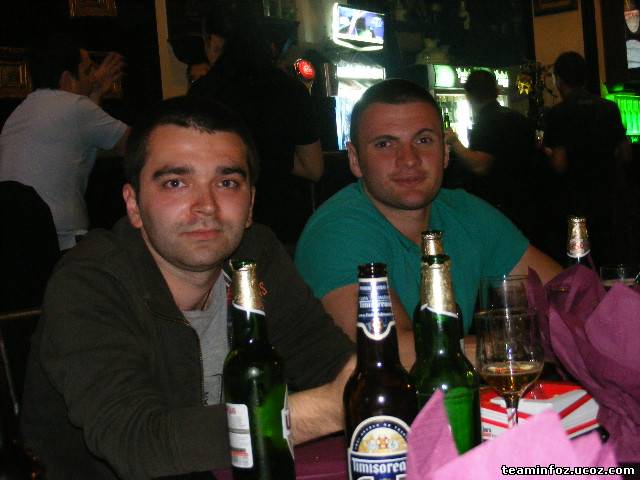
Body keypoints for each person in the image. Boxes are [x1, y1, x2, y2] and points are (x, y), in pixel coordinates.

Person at [19, 96, 355, 479]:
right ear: (133, 204)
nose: (206, 206)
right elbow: (137, 443)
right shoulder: (90, 282)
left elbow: (330, 364)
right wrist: (331, 407)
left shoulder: (256, 256)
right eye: (176, 183)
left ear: (250, 205)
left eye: (227, 183)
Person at [295, 79, 562, 369]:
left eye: (423, 140)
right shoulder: (336, 232)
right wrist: (520, 343)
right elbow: (391, 352)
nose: (409, 160)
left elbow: (569, 298)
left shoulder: (466, 213)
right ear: (355, 159)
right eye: (385, 144)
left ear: (445, 153)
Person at [189, 8, 323, 245]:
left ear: (214, 40)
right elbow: (313, 168)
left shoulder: (202, 93)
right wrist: (275, 156)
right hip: (283, 223)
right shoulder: (291, 90)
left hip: (221, 219)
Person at [0, 35, 129, 251]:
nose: (94, 78)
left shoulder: (20, 112)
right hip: (60, 240)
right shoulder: (75, 106)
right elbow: (139, 144)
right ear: (67, 79)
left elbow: (81, 139)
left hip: (16, 240)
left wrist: (96, 92)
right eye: (88, 71)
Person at [545, 51, 632, 264]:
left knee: (580, 261)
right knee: (609, 257)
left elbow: (559, 164)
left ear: (558, 79)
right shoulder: (608, 108)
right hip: (609, 197)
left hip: (575, 201)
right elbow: (626, 154)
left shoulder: (558, 114)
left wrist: (545, 152)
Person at [444, 69, 538, 238]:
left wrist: (454, 141)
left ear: (469, 95)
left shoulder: (487, 122)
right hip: (528, 201)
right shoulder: (517, 118)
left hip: (501, 206)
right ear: (496, 91)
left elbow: (480, 166)